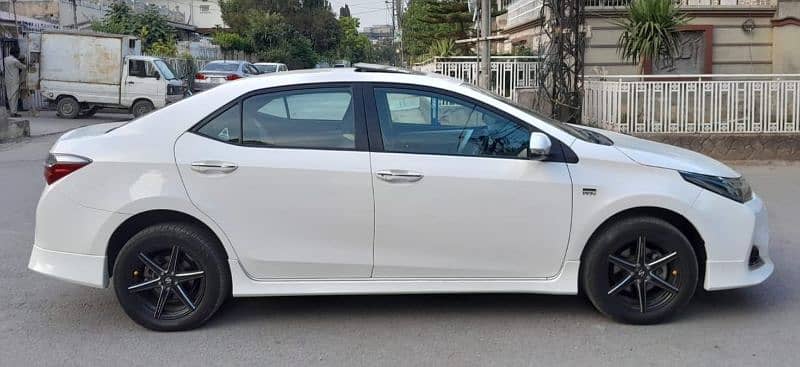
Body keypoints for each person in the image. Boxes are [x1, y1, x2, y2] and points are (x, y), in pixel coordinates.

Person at [4, 46, 26, 117]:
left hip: (7, 80)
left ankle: (11, 111)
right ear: (15, 53)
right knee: (14, 97)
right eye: (18, 53)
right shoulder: (15, 61)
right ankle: (14, 112)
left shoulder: (5, 59)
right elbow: (24, 67)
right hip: (14, 81)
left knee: (9, 96)